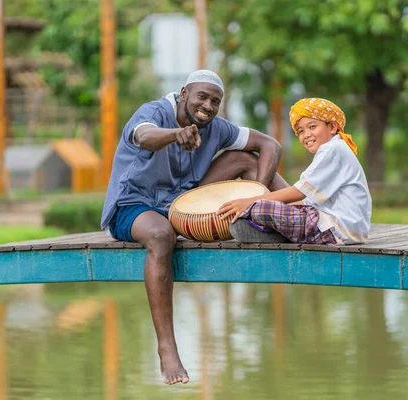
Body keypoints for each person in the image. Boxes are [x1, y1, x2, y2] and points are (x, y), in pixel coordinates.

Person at [100, 70, 288, 385]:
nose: (208, 105)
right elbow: (144, 136)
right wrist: (175, 134)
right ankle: (167, 347)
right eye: (202, 96)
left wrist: (254, 196)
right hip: (133, 206)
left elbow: (270, 145)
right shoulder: (153, 112)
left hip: (181, 203)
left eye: (216, 101)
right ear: (185, 92)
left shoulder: (216, 127)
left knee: (246, 158)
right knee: (161, 235)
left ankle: (289, 217)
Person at [218, 97, 372, 245]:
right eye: (300, 132)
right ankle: (277, 231)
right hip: (344, 229)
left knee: (260, 209)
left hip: (337, 228)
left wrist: (249, 202)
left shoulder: (333, 149)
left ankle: (277, 233)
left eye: (312, 127)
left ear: (332, 127)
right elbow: (308, 200)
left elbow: (300, 191)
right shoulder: (335, 149)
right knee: (262, 212)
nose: (306, 135)